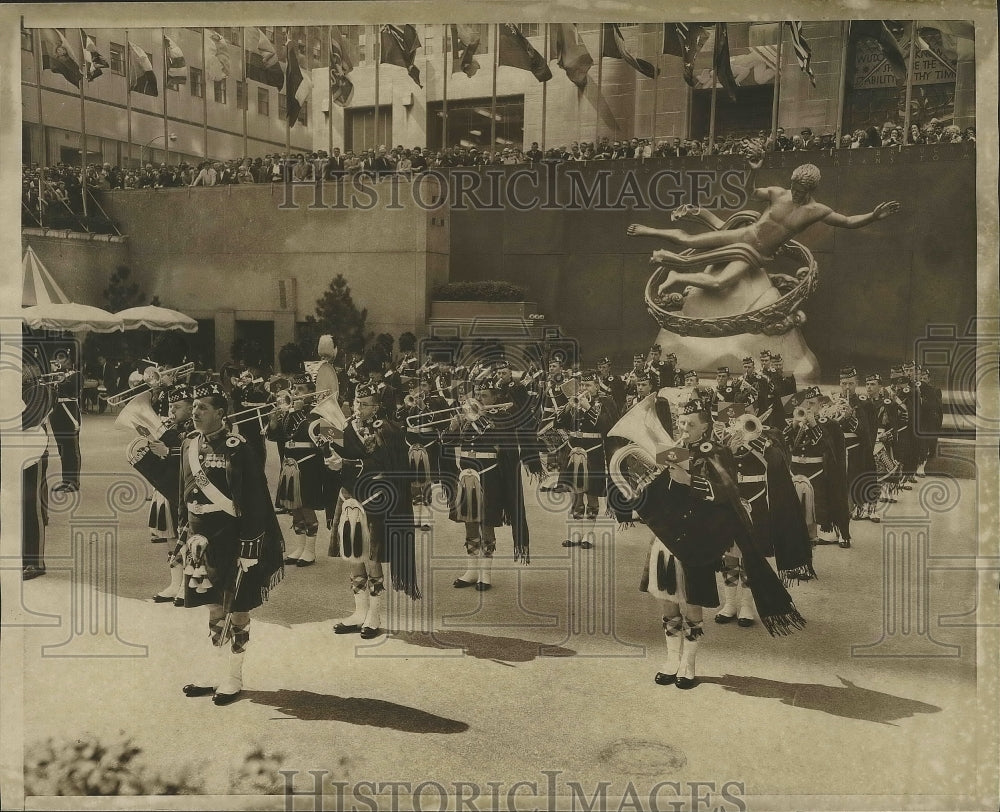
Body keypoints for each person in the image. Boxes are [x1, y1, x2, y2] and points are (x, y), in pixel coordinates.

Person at [627, 158, 900, 378]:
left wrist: (874, 217)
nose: (794, 192)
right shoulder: (778, 194)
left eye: (800, 190)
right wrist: (752, 170)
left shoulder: (816, 211)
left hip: (754, 254)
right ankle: (649, 230)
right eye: (793, 186)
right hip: (744, 235)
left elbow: (848, 221)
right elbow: (752, 192)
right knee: (690, 240)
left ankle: (677, 274)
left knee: (720, 283)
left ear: (810, 191)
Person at [637, 401, 805, 689]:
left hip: (695, 539)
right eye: (681, 423)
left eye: (690, 424)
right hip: (665, 538)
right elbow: (654, 489)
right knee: (667, 602)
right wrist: (644, 484)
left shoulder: (716, 452)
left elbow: (726, 492)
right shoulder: (674, 449)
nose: (684, 428)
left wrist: (689, 479)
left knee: (691, 604)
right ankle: (670, 660)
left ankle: (688, 665)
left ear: (705, 427)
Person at [177, 382, 285, 706]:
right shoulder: (188, 445)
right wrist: (183, 529)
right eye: (194, 407)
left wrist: (251, 546)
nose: (195, 412)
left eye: (203, 408)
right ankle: (215, 672)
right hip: (200, 539)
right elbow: (181, 492)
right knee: (211, 604)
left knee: (237, 608)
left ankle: (234, 676)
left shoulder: (238, 447)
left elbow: (256, 500)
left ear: (221, 413)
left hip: (231, 538)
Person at [332, 384, 421, 637]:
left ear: (377, 407)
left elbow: (386, 463)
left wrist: (347, 461)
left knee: (371, 557)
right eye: (357, 403)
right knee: (353, 555)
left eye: (365, 404)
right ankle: (359, 612)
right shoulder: (346, 426)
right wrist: (328, 452)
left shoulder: (389, 429)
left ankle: (375, 614)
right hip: (349, 497)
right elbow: (330, 445)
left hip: (374, 498)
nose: (359, 408)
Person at [442, 378, 535, 592]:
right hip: (467, 475)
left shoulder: (502, 417)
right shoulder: (466, 417)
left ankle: (486, 572)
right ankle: (472, 569)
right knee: (469, 522)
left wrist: (478, 418)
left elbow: (503, 444)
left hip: (489, 476)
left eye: (484, 395)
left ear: (495, 397)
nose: (479, 398)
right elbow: (448, 443)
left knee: (486, 522)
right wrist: (453, 427)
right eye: (477, 394)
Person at [556, 370, 620, 537]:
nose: (584, 388)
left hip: (594, 453)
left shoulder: (606, 401)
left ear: (596, 386)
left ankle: (589, 534)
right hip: (574, 452)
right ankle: (575, 533)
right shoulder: (574, 400)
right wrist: (569, 407)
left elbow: (607, 427)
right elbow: (558, 423)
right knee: (575, 497)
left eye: (588, 385)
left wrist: (588, 407)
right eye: (582, 385)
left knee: (592, 497)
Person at [48, 348, 82, 493]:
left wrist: (60, 380)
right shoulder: (55, 375)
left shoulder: (76, 375)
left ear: (70, 361)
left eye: (62, 358)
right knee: (62, 448)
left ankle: (74, 482)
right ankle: (65, 480)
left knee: (71, 449)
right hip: (57, 413)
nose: (59, 362)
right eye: (58, 359)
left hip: (69, 413)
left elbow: (74, 390)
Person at [915, 365, 943, 477]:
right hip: (916, 420)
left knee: (925, 444)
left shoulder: (935, 391)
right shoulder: (913, 390)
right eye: (920, 379)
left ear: (929, 379)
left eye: (925, 379)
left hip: (928, 422)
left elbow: (937, 408)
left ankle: (921, 467)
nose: (922, 382)